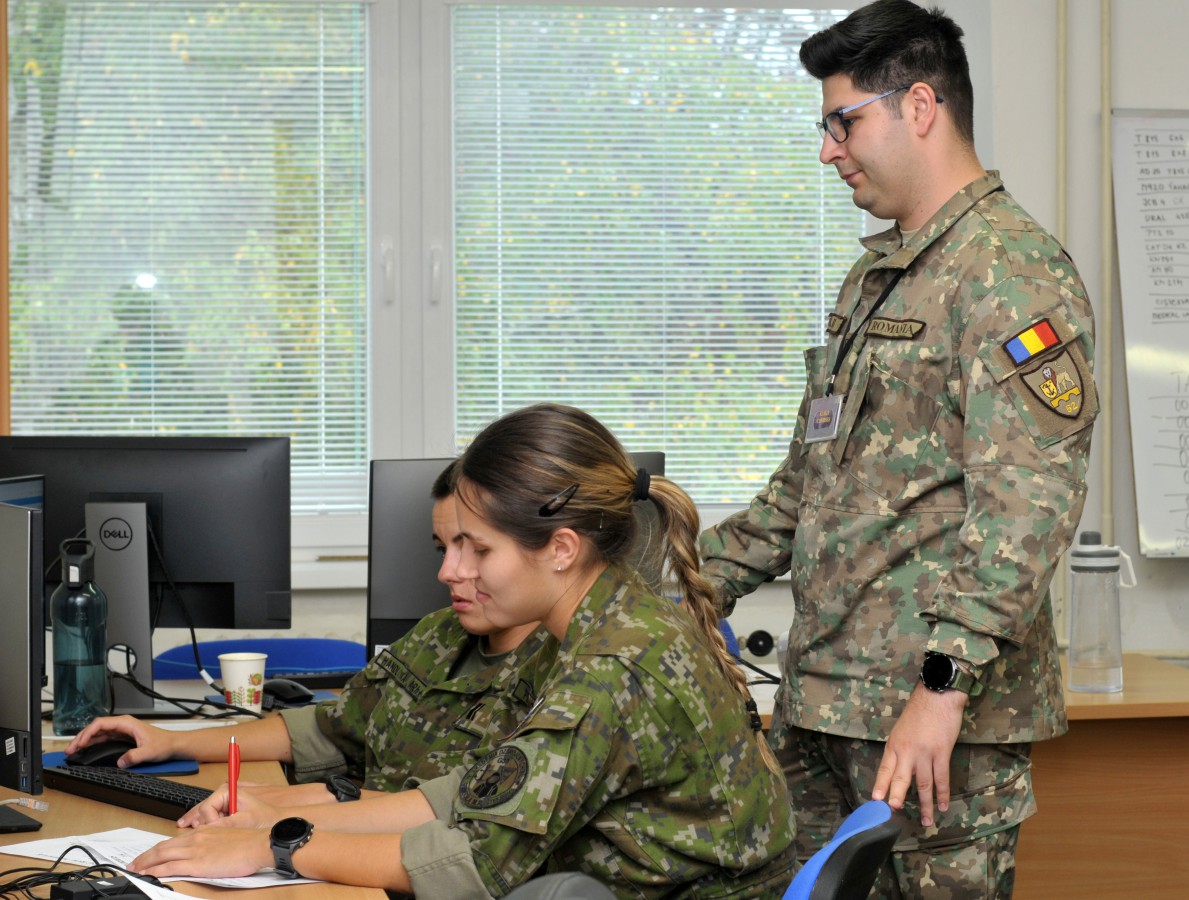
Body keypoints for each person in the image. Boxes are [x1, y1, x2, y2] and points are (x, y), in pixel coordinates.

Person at [699, 3, 1099, 897]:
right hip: (823, 707)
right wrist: (677, 588)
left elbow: (1025, 512)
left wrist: (940, 689)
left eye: (842, 123)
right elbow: (805, 489)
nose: (827, 151)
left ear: (918, 106)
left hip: (931, 726)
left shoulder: (1010, 275)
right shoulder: (877, 278)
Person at [130, 403, 798, 900]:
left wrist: (278, 847)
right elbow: (476, 794)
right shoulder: (599, 621)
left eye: (477, 549)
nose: (451, 571)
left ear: (561, 549)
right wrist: (289, 817)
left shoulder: (610, 667)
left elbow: (470, 863)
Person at [63, 459, 553, 809]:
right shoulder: (440, 634)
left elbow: (452, 817)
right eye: (442, 549)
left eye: (476, 550)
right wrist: (173, 742)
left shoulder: (565, 675)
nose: (447, 572)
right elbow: (330, 727)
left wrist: (287, 809)